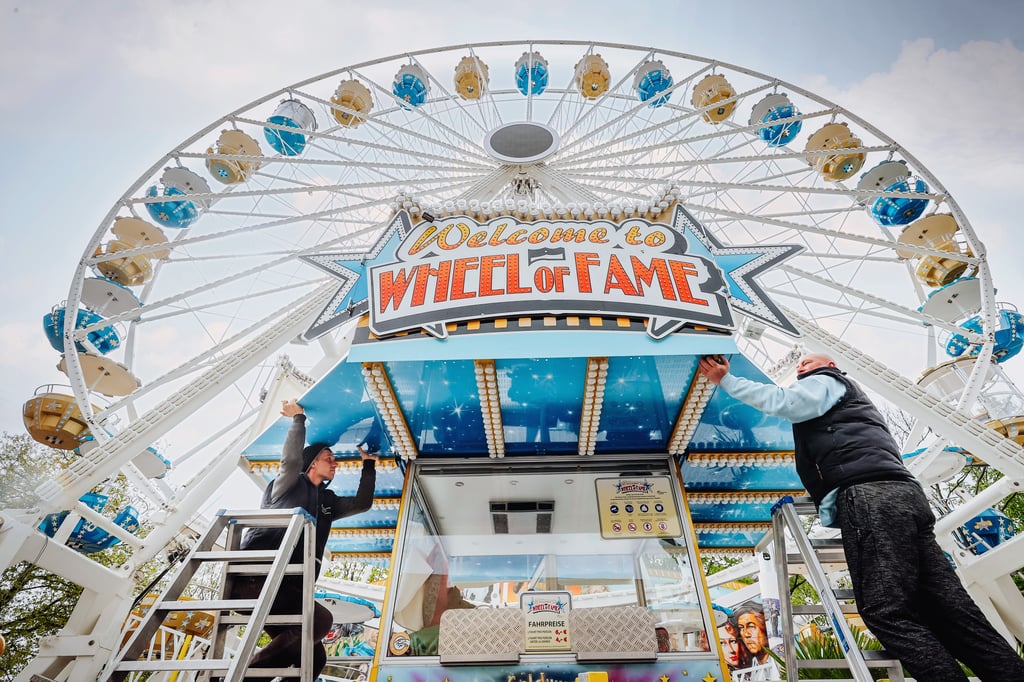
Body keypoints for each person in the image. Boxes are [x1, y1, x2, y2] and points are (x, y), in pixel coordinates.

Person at [698, 353, 1024, 682]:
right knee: (955, 614)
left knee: (886, 611)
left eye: (808, 363)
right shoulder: (855, 408)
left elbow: (783, 402)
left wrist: (726, 380)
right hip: (906, 496)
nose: (800, 367)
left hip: (870, 498)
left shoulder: (826, 384)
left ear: (830, 366)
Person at [231, 399, 378, 681]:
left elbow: (362, 503)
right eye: (329, 458)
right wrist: (298, 420)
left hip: (286, 588)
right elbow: (291, 460)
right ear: (312, 463)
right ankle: (244, 678)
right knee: (320, 620)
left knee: (315, 656)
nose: (334, 463)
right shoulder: (288, 485)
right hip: (257, 579)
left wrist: (368, 466)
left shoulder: (327, 501)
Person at [733, 602, 780, 681]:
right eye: (741, 628)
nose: (746, 634)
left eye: (751, 626)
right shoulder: (754, 663)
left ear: (766, 628)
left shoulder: (780, 660)